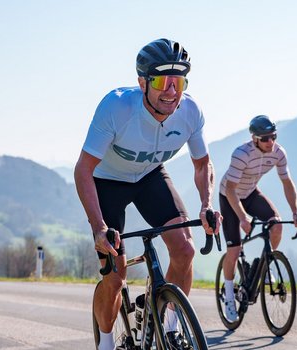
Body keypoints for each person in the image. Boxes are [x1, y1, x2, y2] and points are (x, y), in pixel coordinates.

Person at [74, 38, 221, 350]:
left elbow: (203, 163)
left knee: (185, 250)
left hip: (151, 175)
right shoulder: (116, 108)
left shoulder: (190, 111)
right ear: (142, 82)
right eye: (161, 81)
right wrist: (99, 228)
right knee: (115, 275)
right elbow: (83, 170)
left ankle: (169, 328)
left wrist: (208, 203)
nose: (171, 91)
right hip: (107, 182)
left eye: (178, 81)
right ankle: (106, 341)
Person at [219, 115, 297, 322]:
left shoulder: (278, 153)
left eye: (273, 136)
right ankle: (229, 295)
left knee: (276, 224)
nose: (270, 142)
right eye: (265, 138)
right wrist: (242, 218)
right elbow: (230, 190)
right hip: (229, 197)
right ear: (255, 138)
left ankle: (266, 265)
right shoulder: (241, 154)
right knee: (234, 249)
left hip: (250, 193)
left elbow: (287, 182)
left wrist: (295, 212)